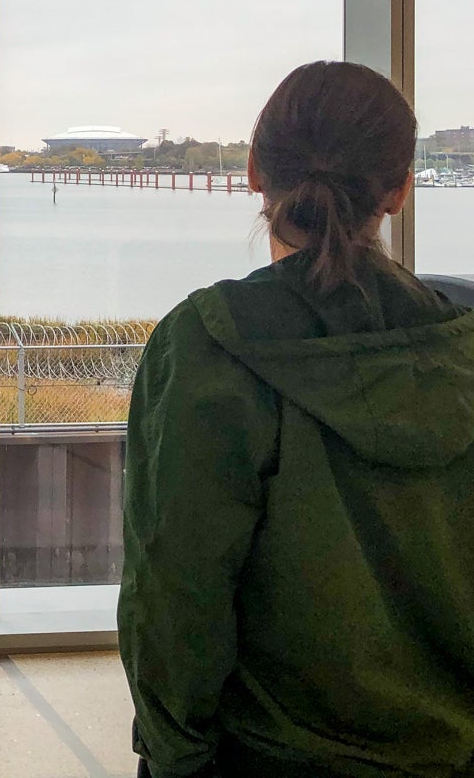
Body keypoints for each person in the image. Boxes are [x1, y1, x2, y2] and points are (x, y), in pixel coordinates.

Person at [119, 60, 474, 778]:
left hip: (271, 755)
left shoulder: (209, 344)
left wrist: (175, 756)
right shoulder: (460, 344)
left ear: (254, 171)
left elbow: (176, 588)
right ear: (400, 190)